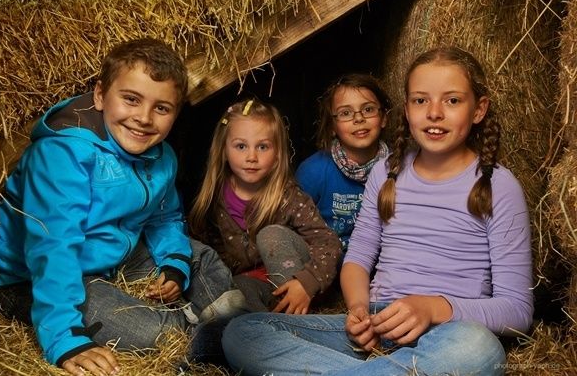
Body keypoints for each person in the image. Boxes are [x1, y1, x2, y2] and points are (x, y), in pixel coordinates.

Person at [222, 46, 533, 376]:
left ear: (479, 109)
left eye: (452, 100)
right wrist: (357, 309)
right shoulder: (387, 172)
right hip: (377, 323)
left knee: (480, 350)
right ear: (407, 109)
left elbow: (517, 311)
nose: (434, 113)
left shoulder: (499, 186)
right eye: (420, 100)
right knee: (243, 333)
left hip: (450, 329)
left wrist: (433, 308)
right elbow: (357, 259)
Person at [0, 38, 245, 376]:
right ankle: (200, 330)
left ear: (176, 112)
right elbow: (53, 247)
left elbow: (164, 218)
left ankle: (222, 315)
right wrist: (64, 338)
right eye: (131, 99)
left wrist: (174, 264)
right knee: (152, 334)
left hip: (112, 253)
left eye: (162, 108)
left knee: (199, 256)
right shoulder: (61, 154)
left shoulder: (162, 157)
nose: (144, 118)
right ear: (101, 95)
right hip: (32, 275)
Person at [189, 99, 343, 315]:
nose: (251, 157)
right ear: (224, 150)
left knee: (270, 235)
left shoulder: (288, 196)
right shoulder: (213, 200)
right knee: (236, 293)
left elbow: (328, 243)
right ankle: (265, 331)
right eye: (241, 146)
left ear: (278, 153)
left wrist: (307, 283)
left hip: (298, 280)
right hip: (256, 286)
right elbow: (204, 253)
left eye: (262, 147)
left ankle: (296, 319)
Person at [296, 73, 392, 251]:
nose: (358, 118)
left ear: (384, 118)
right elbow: (294, 228)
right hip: (322, 266)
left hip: (381, 266)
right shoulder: (313, 171)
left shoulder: (398, 168)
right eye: (345, 113)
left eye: (368, 109)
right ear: (332, 127)